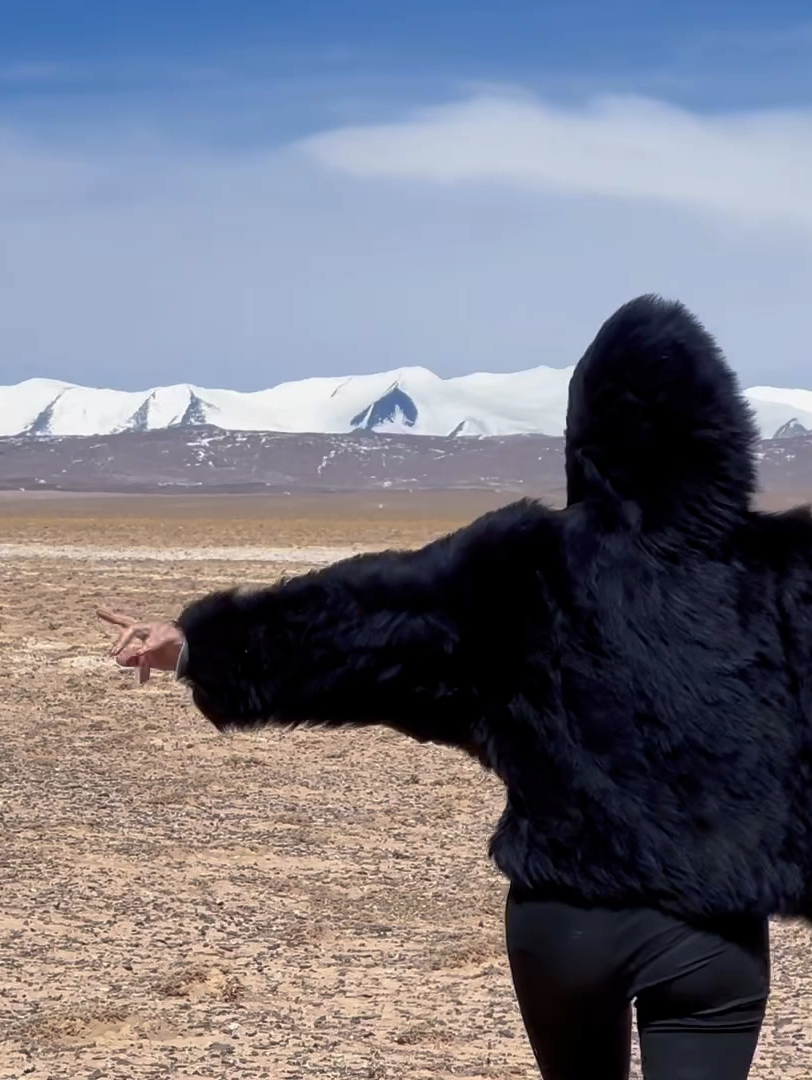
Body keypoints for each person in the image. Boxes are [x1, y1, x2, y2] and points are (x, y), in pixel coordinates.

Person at [99, 294, 812, 1080]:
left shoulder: (522, 565)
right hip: (711, 936)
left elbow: (367, 621)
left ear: (586, 435)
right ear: (720, 432)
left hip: (565, 928)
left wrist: (201, 648)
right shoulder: (783, 575)